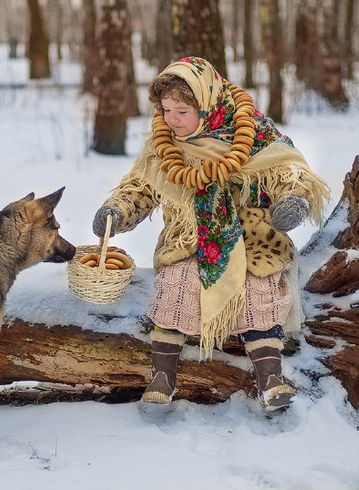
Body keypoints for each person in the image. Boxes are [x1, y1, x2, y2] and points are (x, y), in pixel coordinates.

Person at [92, 57, 329, 411]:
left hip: (253, 235)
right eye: (166, 109)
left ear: (208, 107)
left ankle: (270, 377)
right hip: (190, 236)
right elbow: (141, 186)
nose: (172, 119)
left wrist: (292, 200)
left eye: (182, 111)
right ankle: (162, 375)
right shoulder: (165, 144)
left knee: (259, 285)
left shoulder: (252, 132)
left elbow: (287, 167)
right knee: (177, 281)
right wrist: (119, 211)